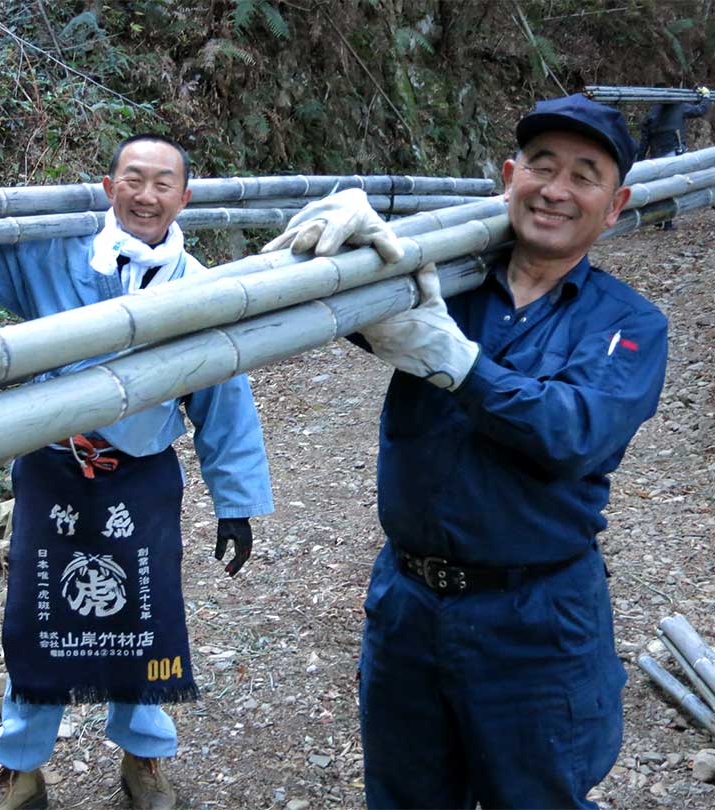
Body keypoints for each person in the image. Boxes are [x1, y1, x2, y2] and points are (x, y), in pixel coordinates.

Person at [263, 95, 669, 809]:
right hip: (407, 603)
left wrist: (461, 364)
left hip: (536, 616)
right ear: (509, 177)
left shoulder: (628, 324)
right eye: (541, 167)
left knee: (535, 796)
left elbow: (577, 431)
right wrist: (350, 234)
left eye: (585, 175)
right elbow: (314, 302)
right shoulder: (443, 279)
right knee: (405, 795)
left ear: (615, 205)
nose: (555, 190)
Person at [0, 134, 274, 810]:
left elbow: (224, 397)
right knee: (38, 611)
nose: (146, 195)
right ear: (108, 186)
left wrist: (235, 502)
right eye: (133, 179)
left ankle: (144, 756)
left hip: (142, 474)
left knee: (145, 616)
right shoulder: (55, 256)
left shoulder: (201, 288)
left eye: (162, 183)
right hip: (54, 465)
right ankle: (21, 762)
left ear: (184, 197)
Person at [638, 86, 711, 229]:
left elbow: (644, 140)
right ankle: (667, 223)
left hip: (656, 156)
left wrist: (639, 160)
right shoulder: (680, 107)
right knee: (671, 188)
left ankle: (658, 220)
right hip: (673, 153)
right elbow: (700, 110)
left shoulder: (652, 113)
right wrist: (706, 96)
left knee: (658, 188)